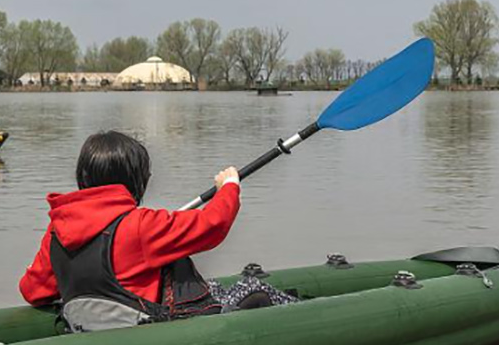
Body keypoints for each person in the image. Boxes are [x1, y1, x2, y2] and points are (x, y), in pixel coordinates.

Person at [19, 130, 294, 333]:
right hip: (146, 333)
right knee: (254, 288)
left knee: (215, 287)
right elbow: (214, 223)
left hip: (87, 331)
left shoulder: (56, 231)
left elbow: (33, 291)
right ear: (135, 180)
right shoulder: (141, 226)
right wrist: (230, 186)